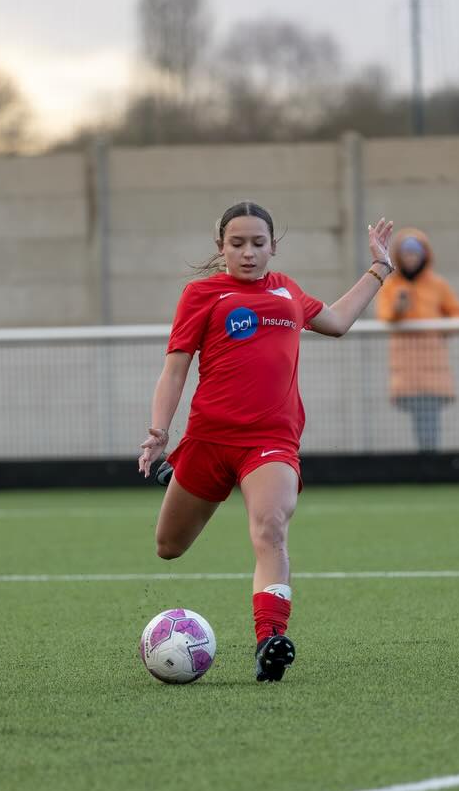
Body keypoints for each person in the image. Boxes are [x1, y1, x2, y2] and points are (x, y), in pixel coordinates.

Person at [137, 200, 396, 683]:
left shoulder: (287, 293)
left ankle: (270, 641)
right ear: (221, 248)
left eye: (258, 244)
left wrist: (380, 267)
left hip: (270, 442)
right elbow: (175, 370)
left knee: (271, 527)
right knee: (168, 546)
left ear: (273, 247)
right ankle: (176, 471)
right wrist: (159, 432)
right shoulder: (202, 294)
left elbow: (337, 322)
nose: (249, 253)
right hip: (209, 440)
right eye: (237, 244)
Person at [375, 228, 459, 453]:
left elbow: (457, 313)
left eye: (415, 253)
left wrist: (444, 330)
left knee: (430, 414)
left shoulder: (437, 285)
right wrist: (399, 308)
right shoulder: (392, 285)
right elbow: (386, 315)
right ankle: (425, 457)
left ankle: (429, 456)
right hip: (405, 364)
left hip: (433, 362)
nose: (411, 258)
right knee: (419, 413)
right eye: (406, 253)